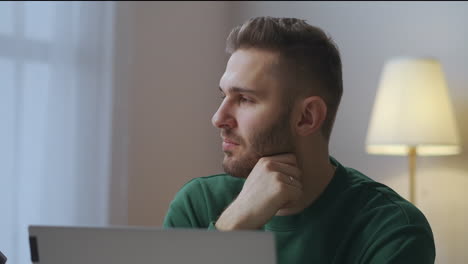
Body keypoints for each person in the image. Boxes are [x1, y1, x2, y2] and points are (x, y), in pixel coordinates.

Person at [163, 16, 435, 263]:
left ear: (306, 117)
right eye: (224, 96)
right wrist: (233, 225)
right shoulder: (198, 205)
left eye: (245, 99)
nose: (218, 118)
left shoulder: (391, 229)